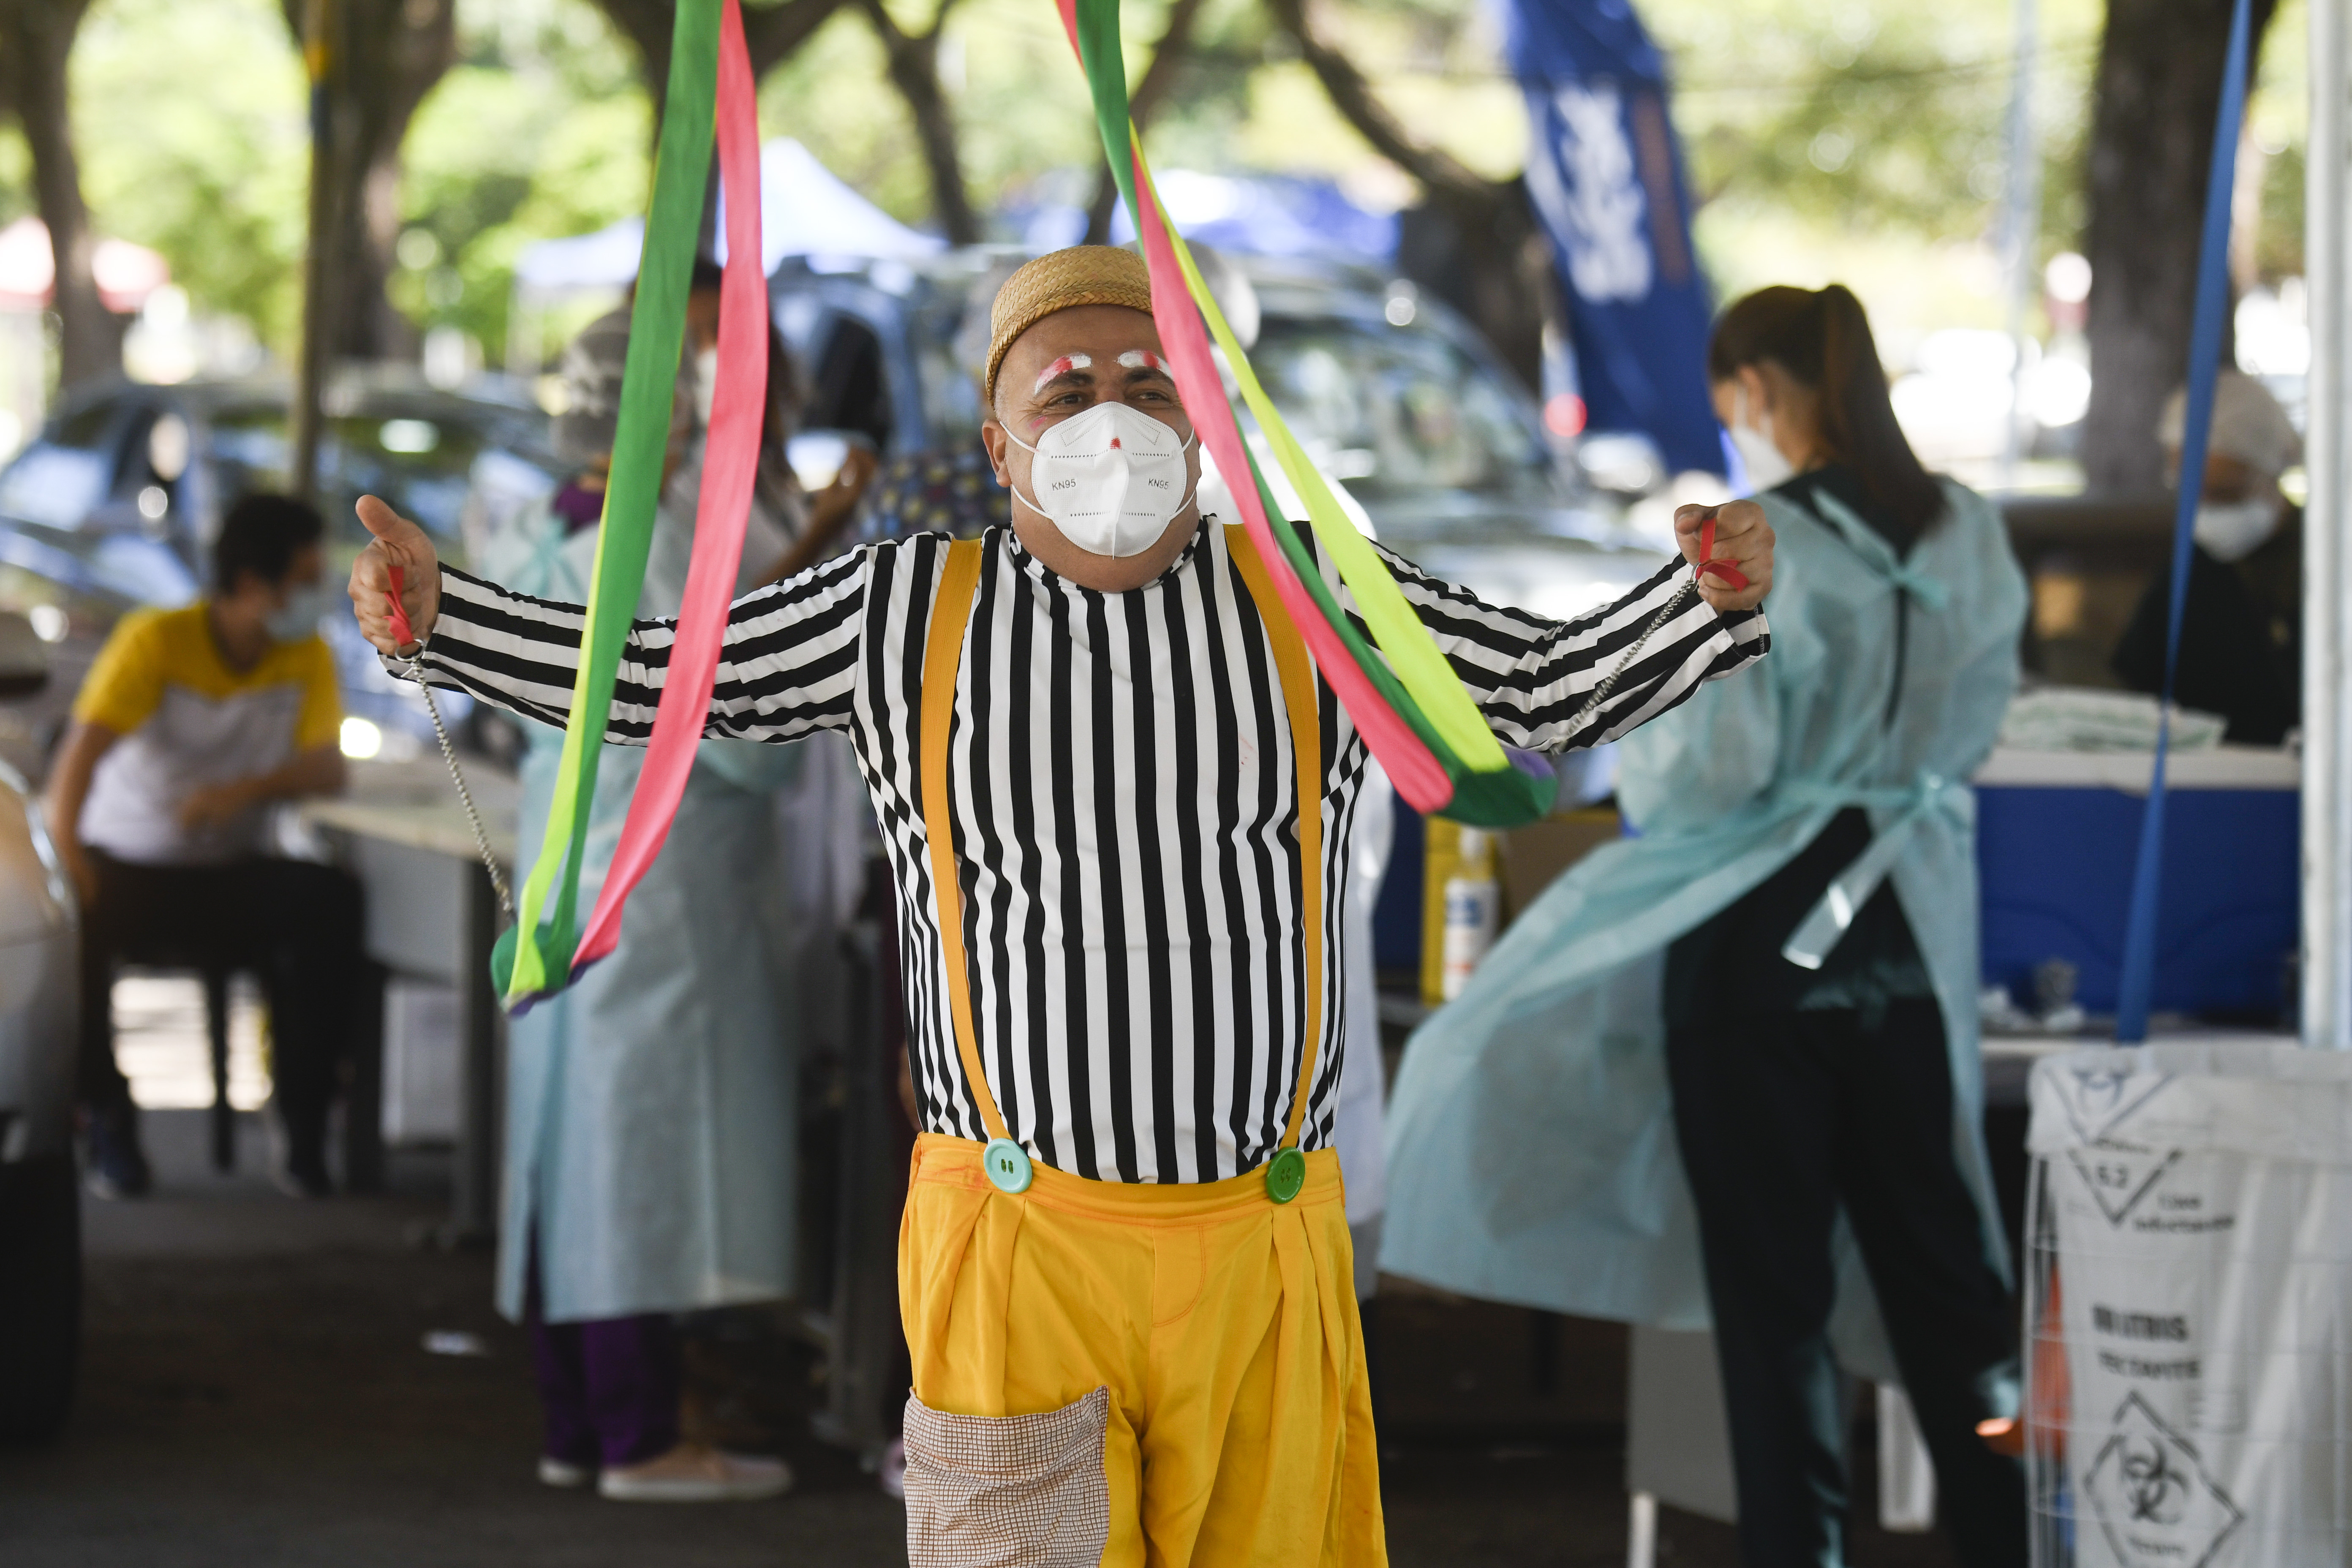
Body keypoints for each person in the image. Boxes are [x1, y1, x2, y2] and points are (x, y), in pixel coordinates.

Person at [349, 245, 1774, 1565]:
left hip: (1259, 1254)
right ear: (998, 441)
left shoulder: (1316, 598)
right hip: (1017, 1251)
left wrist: (1699, 595)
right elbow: (670, 684)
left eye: (1151, 383)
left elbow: (1539, 681)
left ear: (1206, 420)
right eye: (1068, 387)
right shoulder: (896, 608)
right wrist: (449, 616)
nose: (1114, 413)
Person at [1383, 284, 2030, 1568]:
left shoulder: (1754, 539)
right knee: (1949, 1288)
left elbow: (1697, 773)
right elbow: (1970, 724)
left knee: (1770, 1304)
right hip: (1902, 928)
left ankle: (1802, 1552)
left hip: (1754, 942)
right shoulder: (1963, 531)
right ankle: (2012, 1539)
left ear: (1756, 392)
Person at [478, 302, 856, 1504]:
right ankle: (640, 1440)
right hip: (657, 862)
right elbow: (729, 700)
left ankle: (584, 1424)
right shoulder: (666, 522)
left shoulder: (565, 513)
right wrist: (825, 545)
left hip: (572, 855)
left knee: (568, 1148)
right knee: (631, 1152)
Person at [45, 493, 365, 1199]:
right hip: (127, 866)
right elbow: (77, 758)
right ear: (254, 585)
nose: (318, 594)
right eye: (307, 578)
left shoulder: (303, 653)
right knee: (74, 933)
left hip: (226, 870)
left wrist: (242, 791)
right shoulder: (156, 639)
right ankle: (109, 1122)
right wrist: (65, 858)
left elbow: (327, 767)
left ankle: (305, 1120)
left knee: (330, 902)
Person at [2112, 370, 2302, 743]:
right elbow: (2136, 682)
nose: (2207, 511)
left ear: (2267, 472)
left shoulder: (2321, 568)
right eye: (2191, 491)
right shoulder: (2187, 572)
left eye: (2222, 494)